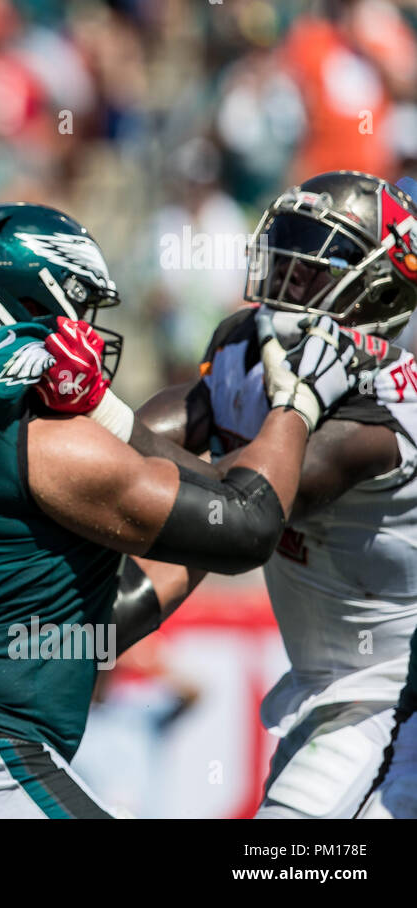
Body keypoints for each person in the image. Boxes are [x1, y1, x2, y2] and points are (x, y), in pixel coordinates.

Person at [0, 202, 356, 819]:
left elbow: (101, 622)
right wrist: (297, 405)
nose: (93, 331)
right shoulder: (45, 440)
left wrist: (208, 459)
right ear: (35, 305)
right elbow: (247, 525)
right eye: (84, 309)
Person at [135, 171, 417, 819]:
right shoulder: (244, 343)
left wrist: (99, 441)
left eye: (314, 261)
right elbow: (157, 438)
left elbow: (246, 500)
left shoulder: (385, 402)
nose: (289, 276)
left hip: (392, 696)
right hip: (331, 694)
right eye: (285, 250)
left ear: (378, 284)